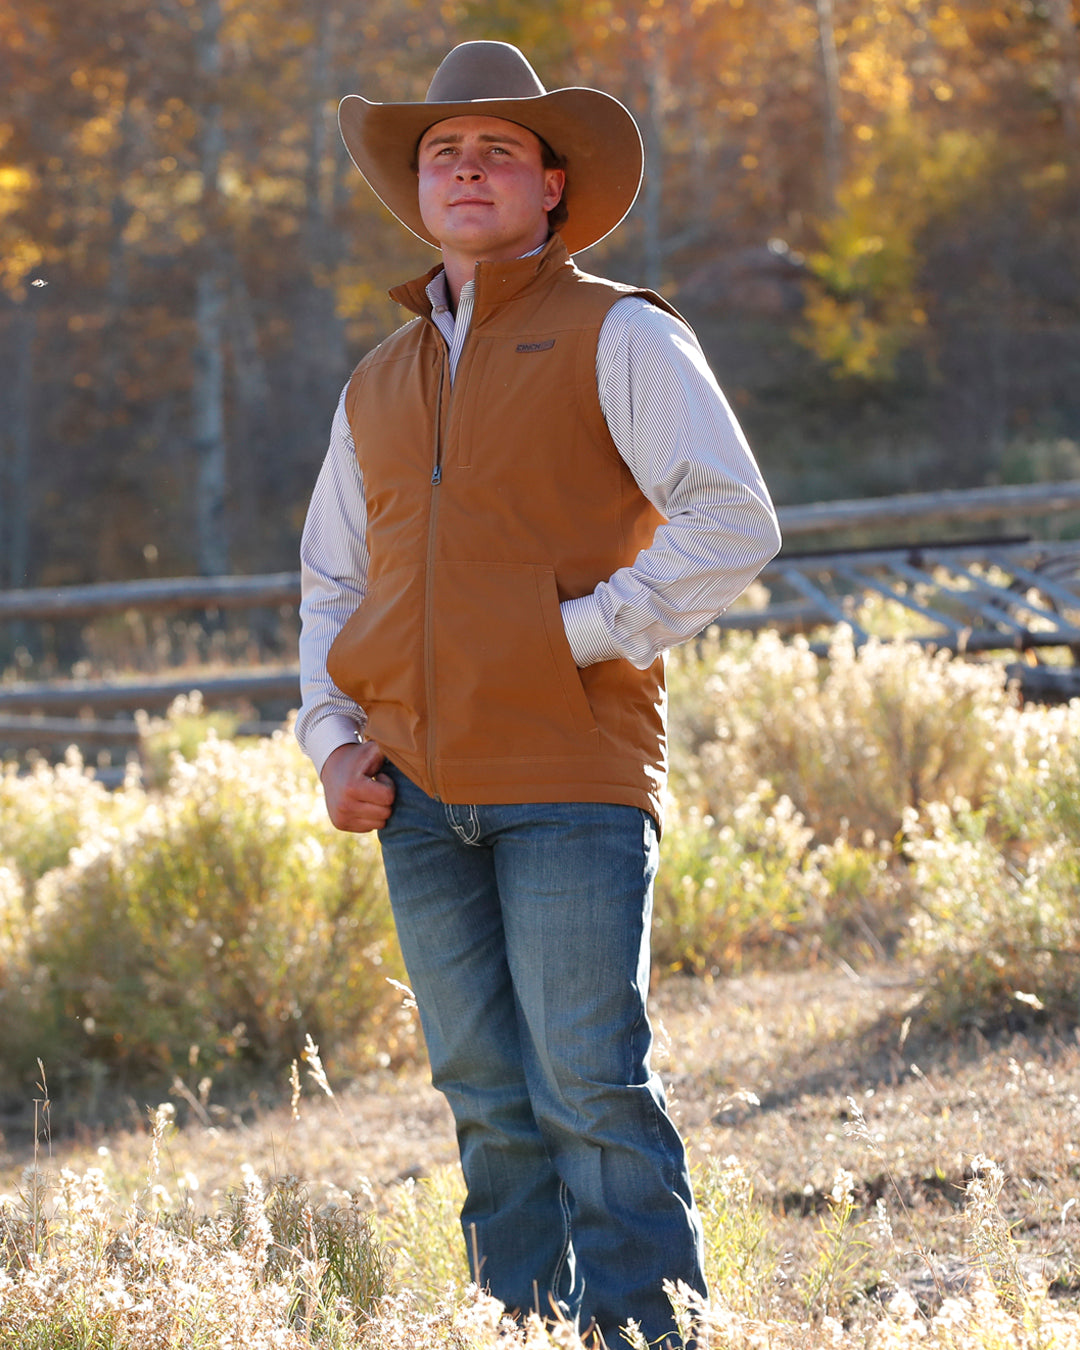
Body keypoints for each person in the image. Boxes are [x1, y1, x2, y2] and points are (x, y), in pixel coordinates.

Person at [296, 39, 781, 1349]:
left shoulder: (618, 330)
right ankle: (516, 1330)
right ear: (419, 190)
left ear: (551, 186)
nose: (465, 168)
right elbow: (332, 587)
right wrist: (333, 741)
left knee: (587, 1087)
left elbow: (731, 521)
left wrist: (574, 633)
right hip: (413, 795)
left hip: (571, 779)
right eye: (443, 152)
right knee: (486, 1097)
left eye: (496, 149)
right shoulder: (377, 381)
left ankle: (647, 1337)